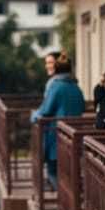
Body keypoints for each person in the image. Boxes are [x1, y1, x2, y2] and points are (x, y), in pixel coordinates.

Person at [31, 51, 84, 188]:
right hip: (74, 133)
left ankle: (64, 204)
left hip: (56, 135)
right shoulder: (76, 87)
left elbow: (46, 110)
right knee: (68, 172)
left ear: (56, 68)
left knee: (53, 172)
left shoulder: (56, 86)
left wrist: (33, 116)